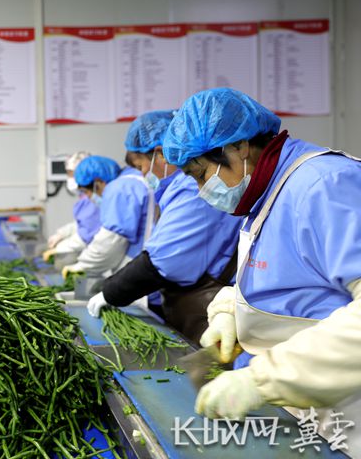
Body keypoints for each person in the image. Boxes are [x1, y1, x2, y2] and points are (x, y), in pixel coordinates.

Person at [164, 87, 361, 452]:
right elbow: (284, 276)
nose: (202, 190)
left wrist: (264, 379)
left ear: (239, 147)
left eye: (201, 174)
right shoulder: (266, 192)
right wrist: (229, 312)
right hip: (307, 414)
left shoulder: (325, 185)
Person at [87, 110, 242, 343]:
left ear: (160, 153)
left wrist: (111, 292)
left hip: (212, 303)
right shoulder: (180, 185)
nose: (143, 174)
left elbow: (165, 259)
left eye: (141, 166)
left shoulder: (191, 188)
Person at [61, 155, 152, 279]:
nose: (89, 197)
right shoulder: (132, 178)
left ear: (98, 182)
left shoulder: (119, 190)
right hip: (145, 257)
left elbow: (111, 241)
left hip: (143, 262)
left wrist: (82, 266)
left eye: (87, 192)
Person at [43, 151, 101, 262]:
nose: (69, 177)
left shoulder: (94, 199)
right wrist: (61, 234)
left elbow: (87, 233)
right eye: (68, 173)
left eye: (71, 173)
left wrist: (60, 248)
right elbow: (82, 223)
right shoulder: (85, 196)